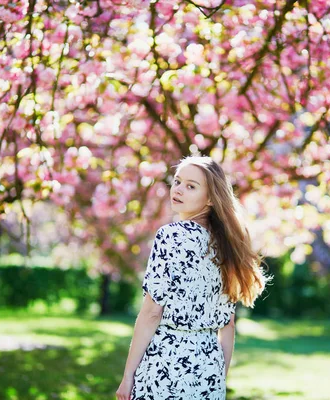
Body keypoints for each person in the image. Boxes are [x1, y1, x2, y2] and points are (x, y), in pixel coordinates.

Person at [116, 155, 270, 400]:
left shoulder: (171, 236)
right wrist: (219, 377)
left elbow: (152, 312)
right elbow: (228, 324)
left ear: (210, 199)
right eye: (177, 182)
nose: (178, 190)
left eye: (191, 186)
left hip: (165, 365)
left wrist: (128, 376)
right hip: (209, 367)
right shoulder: (227, 245)